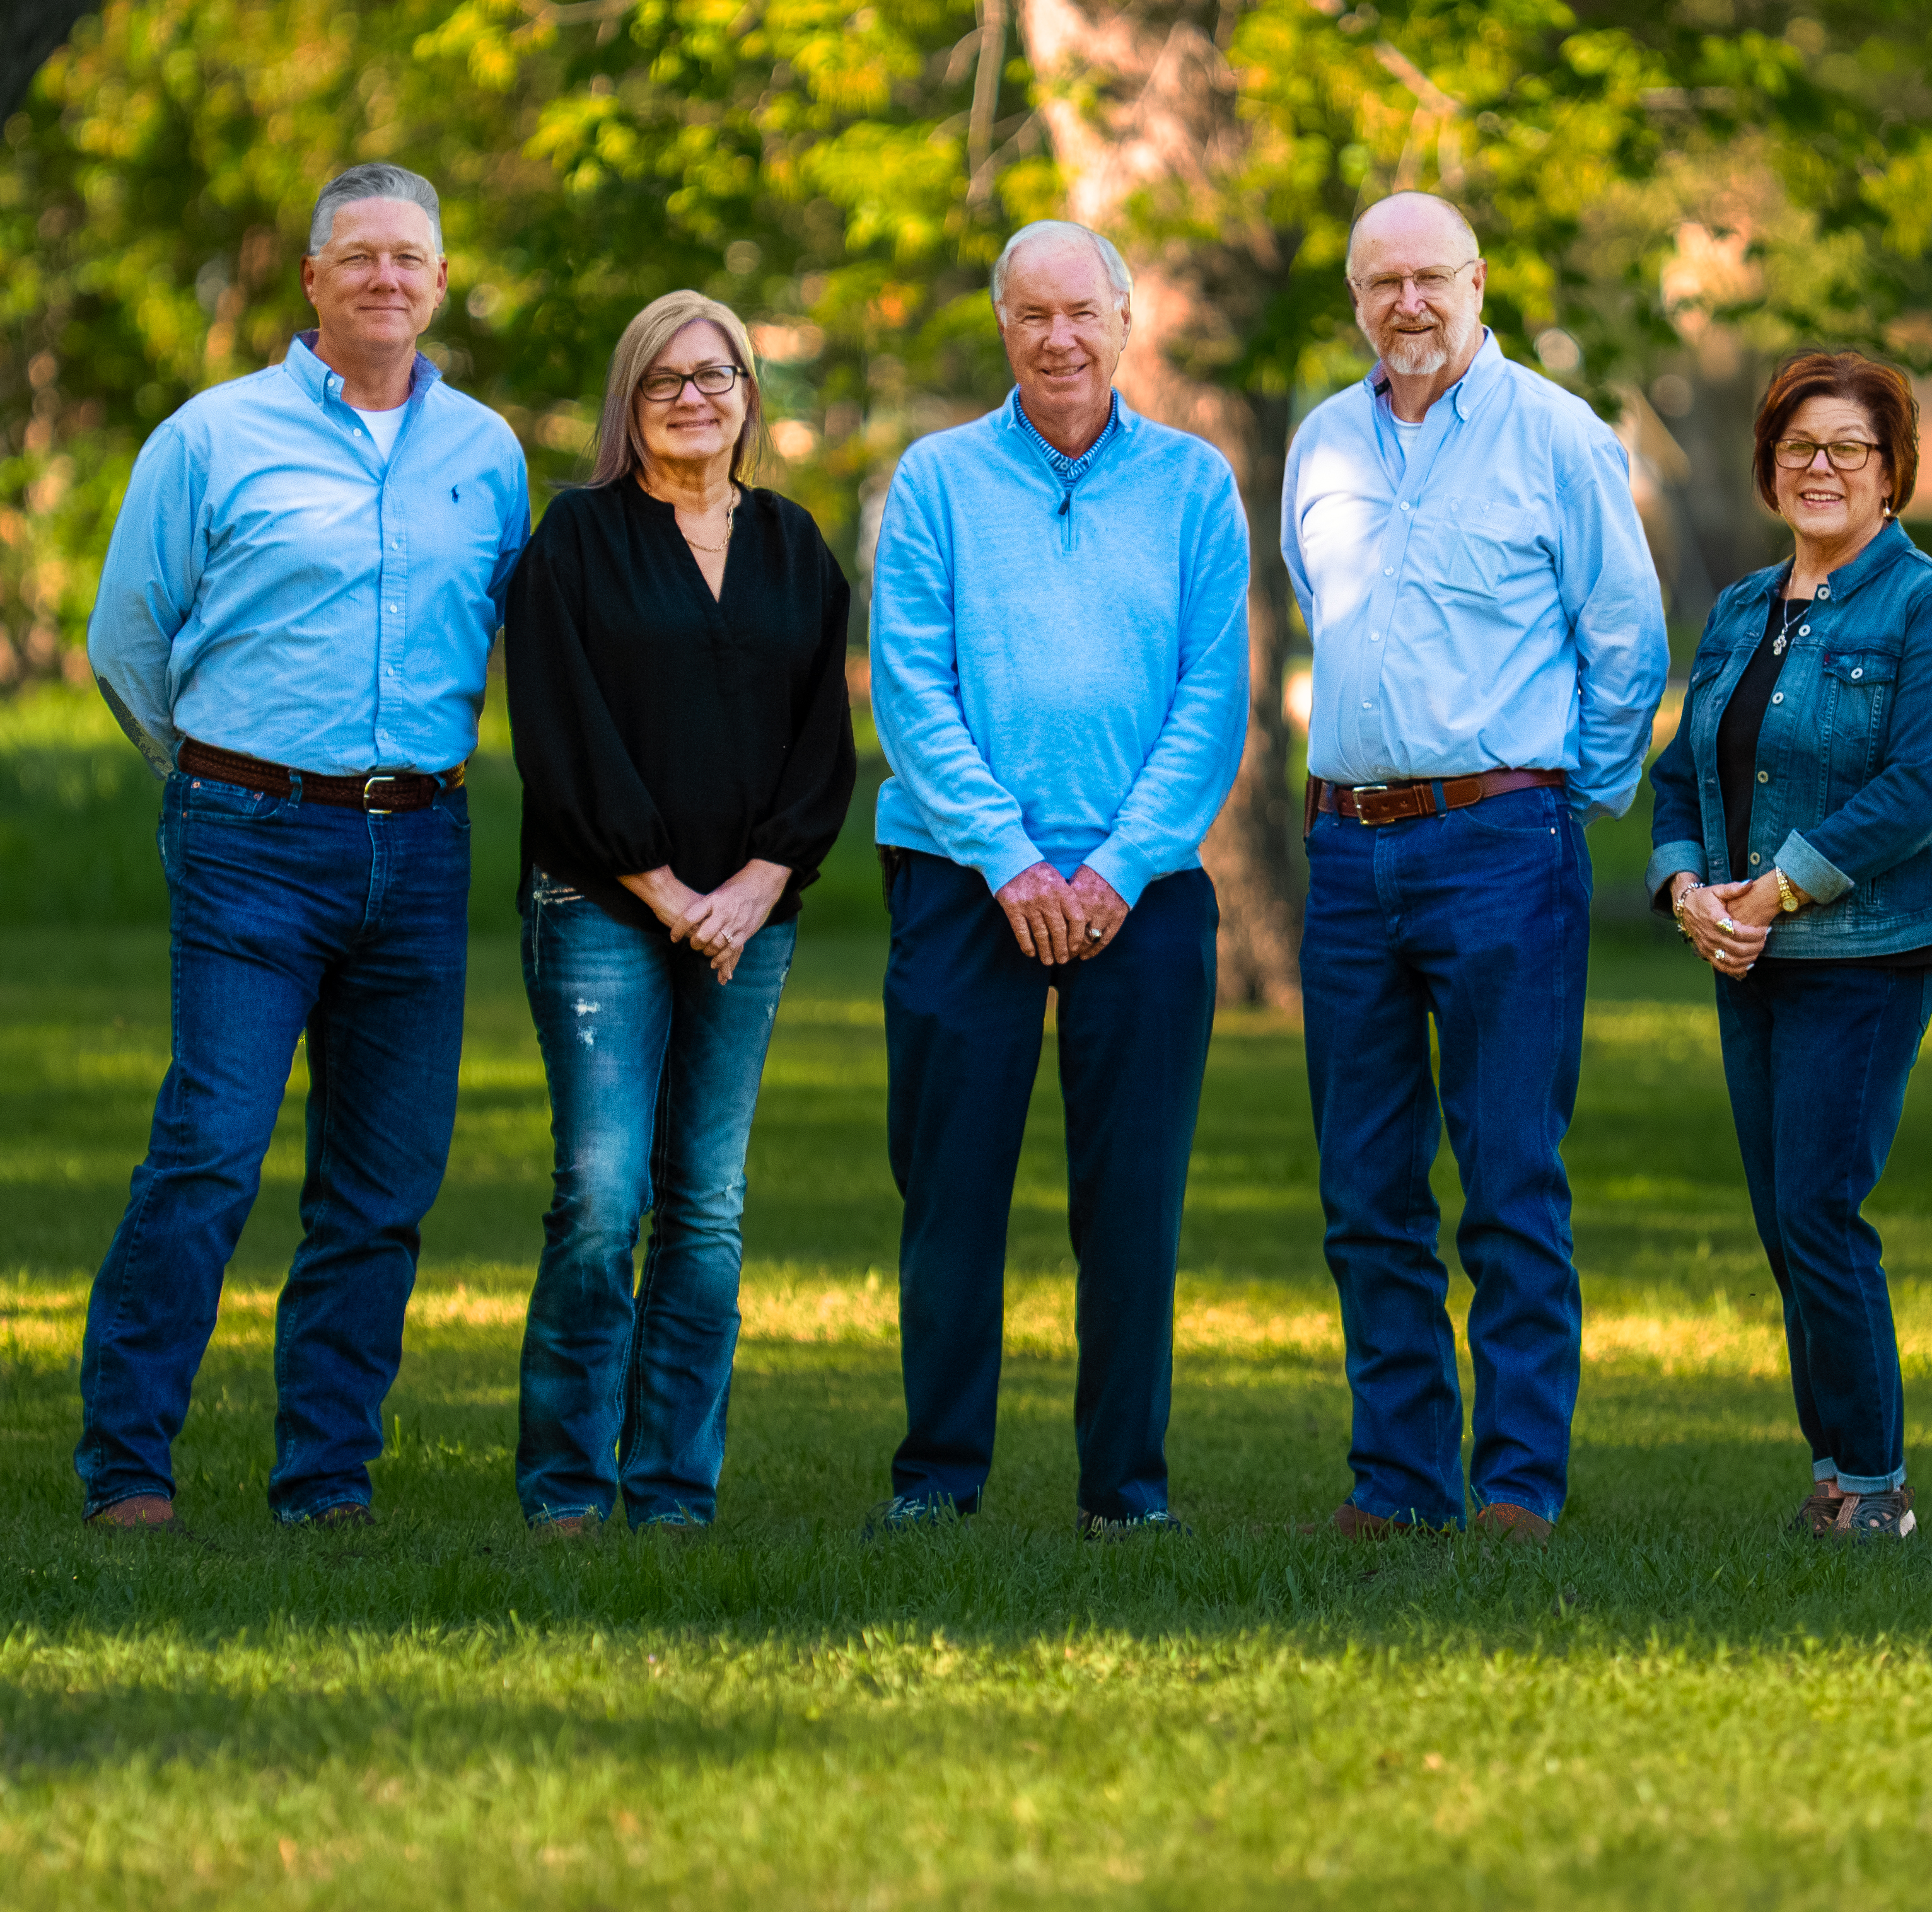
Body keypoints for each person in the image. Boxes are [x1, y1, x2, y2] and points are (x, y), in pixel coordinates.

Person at [76, 163, 531, 1530]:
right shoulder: (213, 436)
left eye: (410, 258)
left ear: (440, 284)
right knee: (210, 1150)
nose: (386, 278)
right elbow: (127, 637)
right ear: (313, 279)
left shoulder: (489, 455)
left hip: (422, 843)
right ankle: (127, 1463)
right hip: (249, 841)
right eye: (360, 256)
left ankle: (326, 1476)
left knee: (381, 1185)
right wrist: (212, 778)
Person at [1280, 191, 1667, 1543]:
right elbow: (1325, 611)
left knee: (1508, 1175)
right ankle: (1396, 1482)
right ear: (1355, 298)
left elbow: (1627, 642)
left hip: (1502, 843)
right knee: (1365, 1186)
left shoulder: (1557, 436)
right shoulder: (1324, 442)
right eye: (1381, 281)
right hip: (1346, 849)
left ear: (1477, 282)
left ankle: (1514, 1486)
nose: (1409, 303)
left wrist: (1567, 801)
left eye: (1430, 277)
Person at [865, 220, 1250, 1537]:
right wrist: (1012, 858)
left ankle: (1124, 1490)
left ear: (1126, 320)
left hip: (1144, 890)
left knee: (1133, 1200)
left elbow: (1212, 694)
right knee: (951, 1189)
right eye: (1032, 314)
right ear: (1003, 326)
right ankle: (937, 1477)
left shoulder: (1195, 484)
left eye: (1083, 311)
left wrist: (1122, 863)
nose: (1059, 338)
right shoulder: (936, 478)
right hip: (960, 877)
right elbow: (911, 689)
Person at [501, 291, 857, 1535]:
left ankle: (670, 1490)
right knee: (602, 1195)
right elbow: (559, 734)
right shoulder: (576, 540)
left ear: (750, 394)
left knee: (706, 1203)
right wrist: (662, 887)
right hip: (601, 905)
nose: (693, 399)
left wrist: (757, 885)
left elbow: (824, 742)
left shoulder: (794, 546)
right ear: (630, 401)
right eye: (665, 380)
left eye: (716, 376)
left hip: (750, 920)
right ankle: (565, 1487)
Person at [1646, 351, 1932, 1544]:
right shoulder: (1741, 611)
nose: (1821, 467)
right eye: (1799, 447)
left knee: (1817, 1209)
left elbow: (1917, 788)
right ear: (1768, 466)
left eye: (1850, 447)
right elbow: (1681, 776)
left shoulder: (1931, 609)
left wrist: (1775, 888)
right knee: (1780, 1221)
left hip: (1863, 953)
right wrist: (1686, 887)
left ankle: (1877, 1485)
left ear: (1892, 472)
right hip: (1746, 954)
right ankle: (1832, 1473)